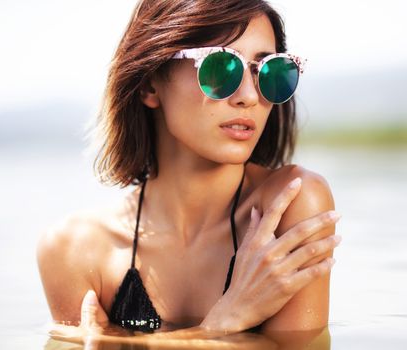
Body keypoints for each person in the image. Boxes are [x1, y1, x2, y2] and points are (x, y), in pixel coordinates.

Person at [37, 0, 341, 348]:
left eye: (269, 72)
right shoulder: (72, 250)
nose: (248, 96)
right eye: (222, 69)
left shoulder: (292, 204)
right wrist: (222, 325)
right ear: (151, 84)